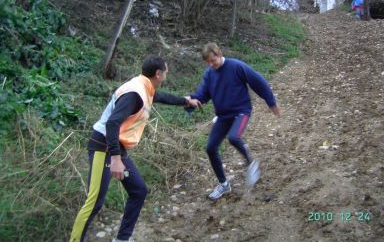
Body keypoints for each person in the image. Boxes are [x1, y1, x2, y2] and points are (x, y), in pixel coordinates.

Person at [70, 55, 201, 242]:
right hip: (104, 146)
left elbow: (160, 96)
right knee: (94, 202)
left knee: (139, 191)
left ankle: (122, 239)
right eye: (166, 73)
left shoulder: (145, 87)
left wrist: (185, 101)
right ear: (158, 73)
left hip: (117, 147)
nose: (166, 76)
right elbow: (113, 123)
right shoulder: (135, 93)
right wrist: (115, 158)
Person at [189, 43, 280, 200]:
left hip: (241, 112)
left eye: (213, 60)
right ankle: (224, 185)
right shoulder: (209, 74)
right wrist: (192, 102)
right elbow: (203, 94)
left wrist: (271, 101)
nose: (211, 64)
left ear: (219, 54)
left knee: (233, 137)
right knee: (210, 148)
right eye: (208, 62)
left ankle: (251, 163)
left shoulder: (236, 66)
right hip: (223, 115)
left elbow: (258, 81)